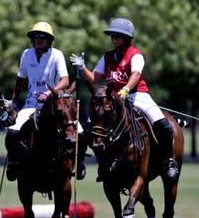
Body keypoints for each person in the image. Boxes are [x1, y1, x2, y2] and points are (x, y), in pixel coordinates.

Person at [71, 18, 179, 181]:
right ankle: (97, 164)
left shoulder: (135, 55)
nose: (114, 39)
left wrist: (126, 89)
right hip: (112, 99)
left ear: (127, 38)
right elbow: (93, 79)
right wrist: (82, 67)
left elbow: (135, 75)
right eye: (112, 36)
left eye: (118, 36)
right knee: (89, 127)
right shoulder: (107, 57)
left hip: (137, 94)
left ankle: (169, 161)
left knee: (164, 126)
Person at [5, 21, 72, 182]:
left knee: (78, 131)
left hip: (54, 103)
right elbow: (20, 79)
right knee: (12, 132)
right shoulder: (26, 54)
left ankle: (80, 162)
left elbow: (65, 80)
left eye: (42, 37)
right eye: (35, 37)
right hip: (31, 104)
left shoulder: (57, 55)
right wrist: (12, 101)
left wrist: (50, 92)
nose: (38, 39)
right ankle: (15, 162)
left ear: (49, 39)